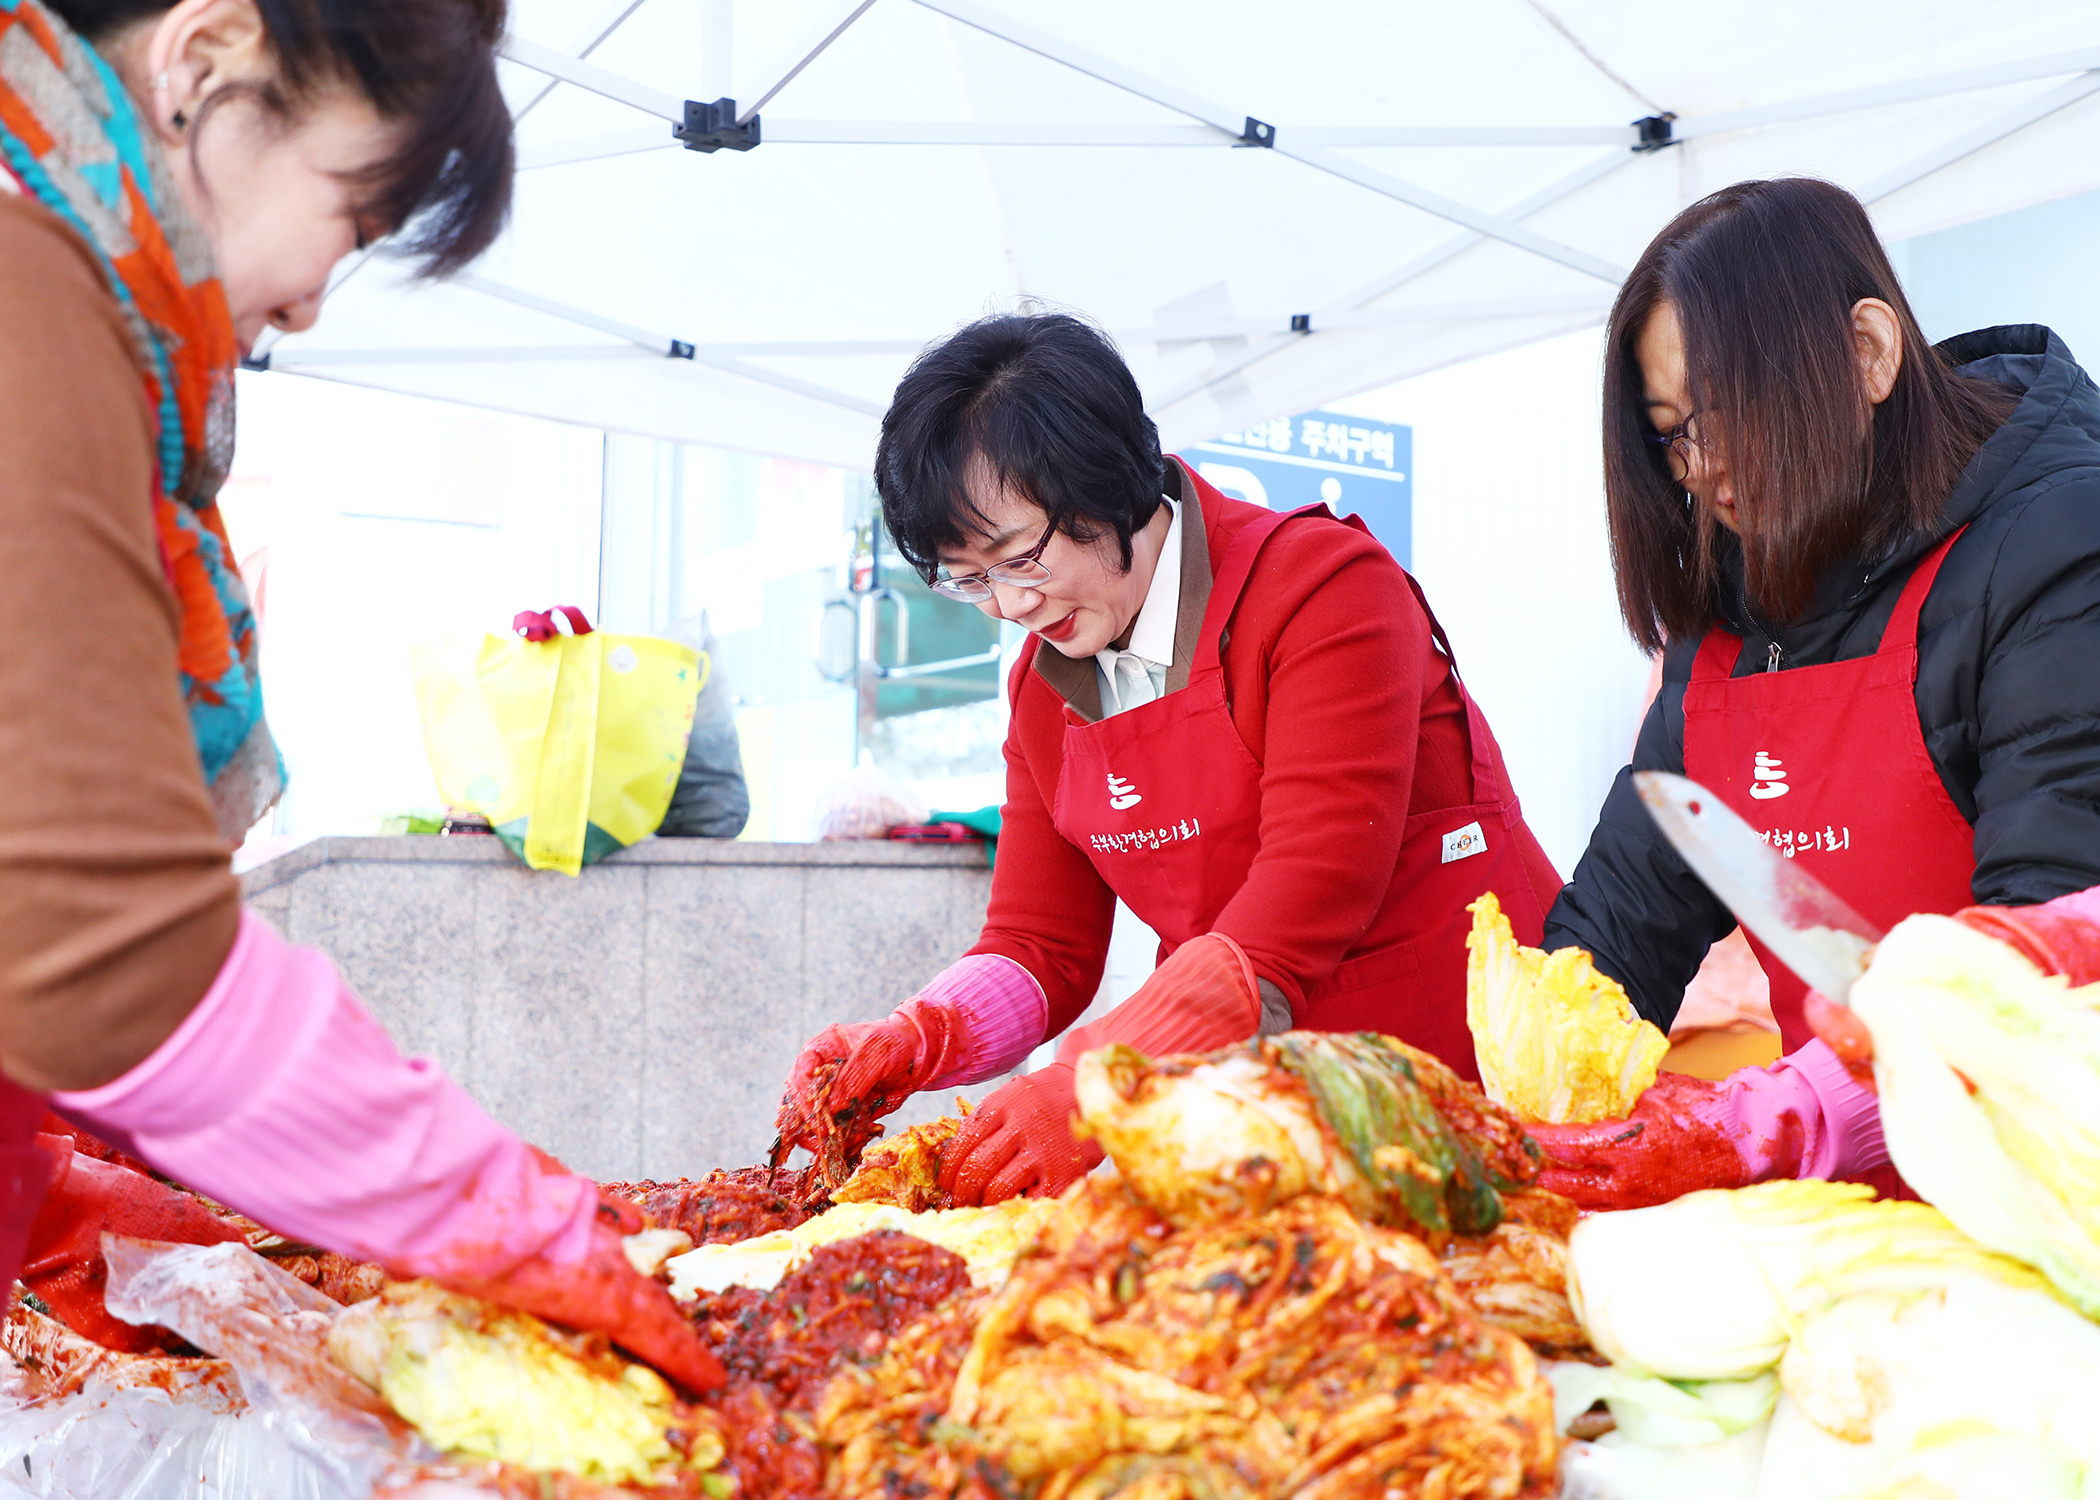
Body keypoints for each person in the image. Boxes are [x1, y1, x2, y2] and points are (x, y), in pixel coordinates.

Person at [0, 0, 718, 1387]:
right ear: (205, 58)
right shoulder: (28, 285)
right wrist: (500, 1217)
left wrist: (62, 1175)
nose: (316, 300)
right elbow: (101, 939)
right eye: (355, 213)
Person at [774, 313, 1562, 1204]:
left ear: (1105, 481)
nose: (1007, 605)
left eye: (1019, 556)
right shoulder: (1042, 689)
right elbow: (1041, 945)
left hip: (1458, 1068)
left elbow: (1309, 887)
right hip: (1250, 1101)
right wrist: (921, 1036)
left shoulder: (1323, 588)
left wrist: (1095, 1085)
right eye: (970, 578)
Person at [1525, 178, 2100, 1209]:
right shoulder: (1727, 619)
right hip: (1851, 1203)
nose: (1703, 470)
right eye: (1673, 433)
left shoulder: (2062, 547)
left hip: (2052, 1192)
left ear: (1869, 355)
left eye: (1731, 410)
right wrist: (1531, 1089)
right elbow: (1615, 934)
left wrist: (1776, 1119)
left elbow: (2046, 959)